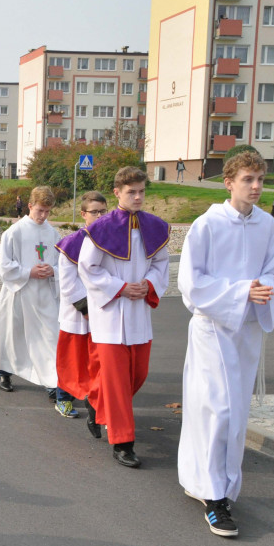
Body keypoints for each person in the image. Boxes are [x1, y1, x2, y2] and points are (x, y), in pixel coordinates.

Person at [176, 150, 274, 537]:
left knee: (235, 413)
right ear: (229, 182)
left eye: (260, 179)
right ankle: (215, 499)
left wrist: (264, 291)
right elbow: (191, 284)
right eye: (248, 180)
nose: (257, 187)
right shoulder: (207, 226)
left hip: (246, 332)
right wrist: (243, 291)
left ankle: (214, 485)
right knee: (216, 410)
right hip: (213, 329)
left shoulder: (269, 229)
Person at [78, 167, 169, 468]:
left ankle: (96, 402)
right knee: (117, 382)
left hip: (139, 312)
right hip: (111, 315)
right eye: (132, 192)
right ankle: (122, 441)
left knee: (137, 374)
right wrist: (119, 288)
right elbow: (88, 268)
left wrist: (150, 284)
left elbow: (161, 262)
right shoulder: (100, 228)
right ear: (118, 193)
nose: (138, 196)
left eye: (142, 191)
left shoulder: (155, 226)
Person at [0, 186, 61, 399]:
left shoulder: (53, 233)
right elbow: (2, 264)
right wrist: (27, 272)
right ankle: (4, 372)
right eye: (40, 210)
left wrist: (53, 271)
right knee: (13, 335)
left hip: (44, 294)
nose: (43, 216)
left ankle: (52, 381)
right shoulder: (15, 231)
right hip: (19, 291)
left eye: (47, 212)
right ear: (29, 206)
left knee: (49, 336)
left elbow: (62, 263)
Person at [53, 191, 108, 423]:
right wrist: (87, 307)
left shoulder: (112, 240)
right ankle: (62, 397)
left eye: (103, 211)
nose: (99, 216)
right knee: (72, 359)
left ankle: (95, 399)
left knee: (96, 361)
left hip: (105, 311)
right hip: (79, 313)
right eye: (94, 212)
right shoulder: (72, 243)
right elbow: (67, 282)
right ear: (83, 214)